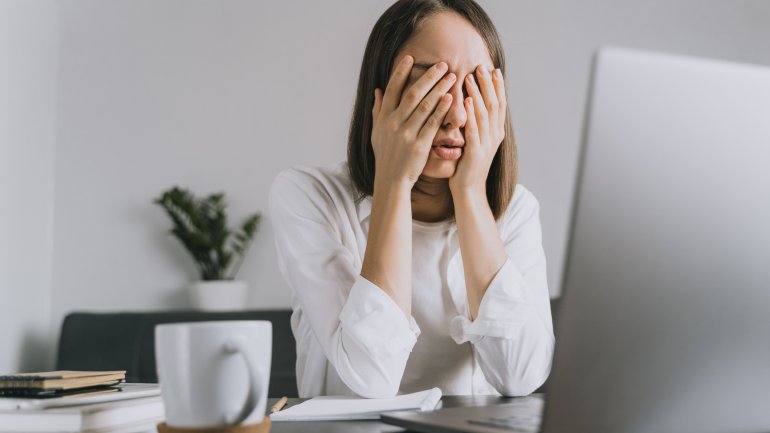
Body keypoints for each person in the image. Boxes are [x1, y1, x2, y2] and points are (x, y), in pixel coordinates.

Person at [269, 0, 554, 398]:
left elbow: (521, 377)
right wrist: (394, 180)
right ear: (381, 95)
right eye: (433, 85)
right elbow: (371, 379)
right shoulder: (307, 197)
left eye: (474, 85)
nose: (455, 114)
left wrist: (471, 193)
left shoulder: (516, 212)